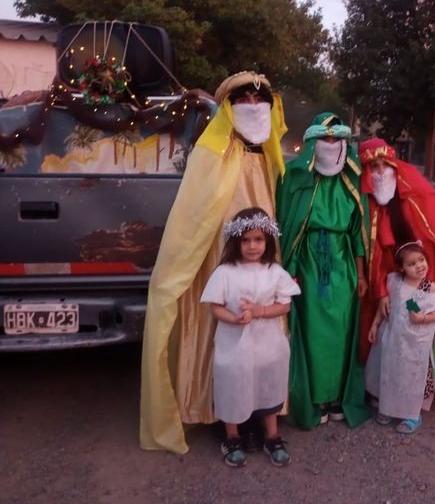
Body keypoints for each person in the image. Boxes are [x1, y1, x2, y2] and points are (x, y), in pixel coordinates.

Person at [140, 71, 288, 453]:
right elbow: (193, 215)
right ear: (229, 106)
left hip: (263, 265)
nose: (254, 107)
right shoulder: (210, 152)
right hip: (218, 264)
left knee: (264, 334)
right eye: (244, 100)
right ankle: (219, 413)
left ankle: (261, 410)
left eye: (261, 101)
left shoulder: (271, 156)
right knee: (222, 334)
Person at [276, 112, 371, 429]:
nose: (330, 144)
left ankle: (336, 397)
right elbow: (287, 227)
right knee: (312, 329)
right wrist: (288, 269)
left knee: (342, 331)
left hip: (342, 264)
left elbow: (359, 231)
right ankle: (314, 398)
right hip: (308, 263)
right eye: (325, 138)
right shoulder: (296, 176)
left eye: (336, 139)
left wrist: (361, 273)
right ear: (314, 141)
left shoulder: (351, 181)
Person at [358, 137, 435, 404]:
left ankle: (420, 389)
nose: (381, 170)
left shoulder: (419, 194)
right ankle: (385, 387)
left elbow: (434, 247)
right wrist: (383, 291)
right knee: (391, 338)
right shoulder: (368, 204)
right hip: (389, 283)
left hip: (420, 280)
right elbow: (375, 255)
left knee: (419, 338)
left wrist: (425, 286)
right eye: (374, 166)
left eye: (385, 163)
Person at [201, 207, 300, 467]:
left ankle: (272, 435)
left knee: (268, 383)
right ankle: (232, 436)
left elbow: (285, 305)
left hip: (267, 344)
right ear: (236, 242)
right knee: (232, 383)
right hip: (233, 345)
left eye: (258, 240)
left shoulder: (274, 271)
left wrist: (259, 311)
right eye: (245, 240)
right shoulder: (225, 272)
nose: (252, 246)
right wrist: (235, 318)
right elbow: (215, 306)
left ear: (267, 241)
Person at [365, 241, 435, 434]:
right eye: (411, 263)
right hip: (393, 338)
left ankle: (412, 414)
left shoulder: (428, 287)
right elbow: (384, 307)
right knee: (391, 372)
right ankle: (388, 408)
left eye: (421, 260)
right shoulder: (395, 281)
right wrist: (375, 324)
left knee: (411, 376)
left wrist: (422, 318)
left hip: (414, 342)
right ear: (401, 267)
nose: (419, 266)